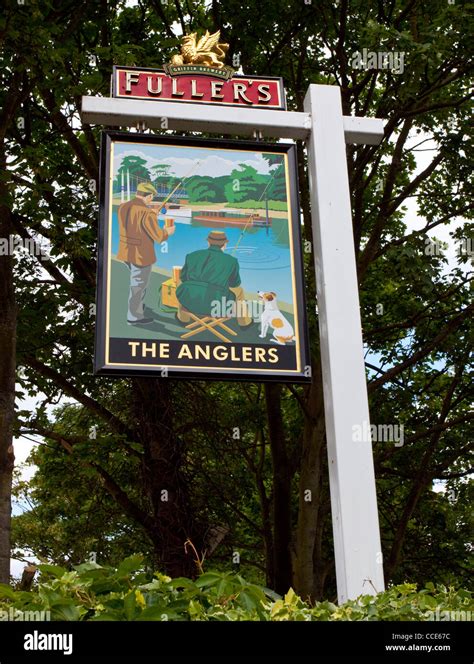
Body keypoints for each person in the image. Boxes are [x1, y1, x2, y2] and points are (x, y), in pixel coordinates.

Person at [117, 182, 175, 324]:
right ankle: (134, 316)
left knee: (137, 282)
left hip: (126, 251)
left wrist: (152, 215)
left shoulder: (124, 206)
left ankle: (136, 307)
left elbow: (135, 223)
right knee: (138, 285)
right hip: (140, 255)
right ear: (148, 196)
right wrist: (168, 232)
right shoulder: (147, 213)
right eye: (151, 197)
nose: (151, 200)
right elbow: (159, 237)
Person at [176, 230, 251, 326]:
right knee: (239, 290)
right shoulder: (232, 261)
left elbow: (183, 277)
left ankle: (183, 318)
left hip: (189, 301)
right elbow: (235, 283)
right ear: (225, 244)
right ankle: (244, 323)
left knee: (181, 282)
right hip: (217, 306)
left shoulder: (192, 255)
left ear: (208, 242)